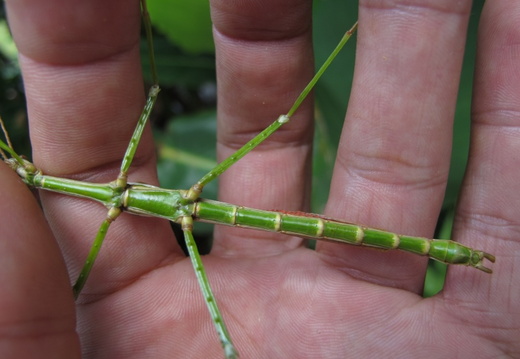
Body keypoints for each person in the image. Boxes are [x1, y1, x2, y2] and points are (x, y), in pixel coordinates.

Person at [1, 0, 518, 357]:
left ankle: (447, 250)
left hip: (185, 206)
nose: (29, 173)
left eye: (27, 172)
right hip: (185, 206)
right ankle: (450, 251)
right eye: (27, 174)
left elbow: (156, 90)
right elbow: (153, 90)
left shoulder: (103, 216)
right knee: (273, 119)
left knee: (277, 119)